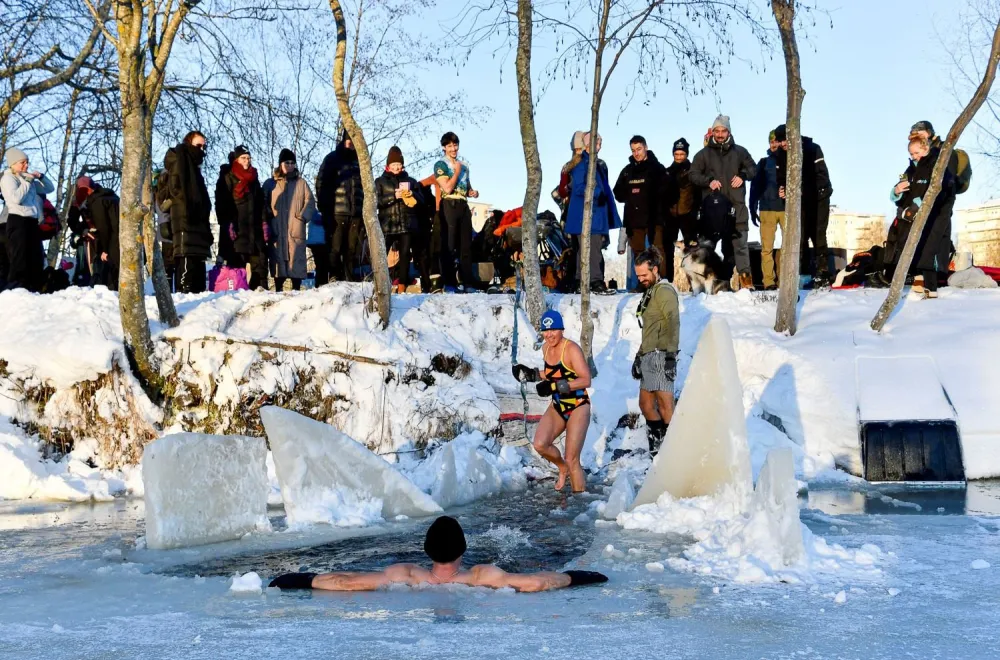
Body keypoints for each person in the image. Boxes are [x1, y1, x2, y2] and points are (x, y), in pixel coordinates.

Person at [268, 516, 608, 592]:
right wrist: (580, 576)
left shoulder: (405, 575)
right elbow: (534, 582)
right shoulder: (483, 577)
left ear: (426, 550)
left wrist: (299, 579)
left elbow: (344, 582)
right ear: (463, 550)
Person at [511, 310, 592, 493]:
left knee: (572, 459)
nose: (549, 335)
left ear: (561, 329)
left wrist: (554, 387)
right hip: (557, 405)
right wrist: (531, 374)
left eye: (553, 330)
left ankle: (579, 504)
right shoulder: (546, 348)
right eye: (545, 331)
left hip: (578, 405)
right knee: (540, 444)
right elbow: (553, 373)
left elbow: (586, 379)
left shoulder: (571, 349)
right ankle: (562, 468)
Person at [689, 115, 756, 290]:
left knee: (739, 250)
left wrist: (743, 176)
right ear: (712, 132)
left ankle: (745, 284)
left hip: (736, 212)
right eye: (717, 131)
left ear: (729, 132)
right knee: (705, 251)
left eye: (723, 130)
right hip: (711, 214)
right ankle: (701, 286)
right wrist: (708, 181)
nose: (720, 134)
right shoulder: (703, 155)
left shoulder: (740, 152)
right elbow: (693, 174)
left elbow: (753, 170)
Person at [886, 137, 956, 299]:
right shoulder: (910, 170)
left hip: (933, 216)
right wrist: (896, 191)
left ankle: (931, 289)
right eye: (911, 154)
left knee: (929, 250)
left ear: (926, 149)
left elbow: (939, 189)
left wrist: (918, 205)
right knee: (914, 249)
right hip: (913, 218)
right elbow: (900, 193)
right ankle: (919, 285)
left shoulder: (936, 164)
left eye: (916, 153)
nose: (914, 157)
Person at [631, 247, 679, 454]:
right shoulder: (651, 293)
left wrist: (671, 355)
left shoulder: (664, 291)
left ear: (655, 270)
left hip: (661, 354)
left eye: (644, 274)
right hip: (649, 354)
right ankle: (657, 447)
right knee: (645, 404)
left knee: (665, 404)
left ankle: (672, 451)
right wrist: (638, 357)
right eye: (638, 275)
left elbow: (673, 322)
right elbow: (649, 330)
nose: (641, 279)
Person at [772, 124, 833, 286]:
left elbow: (822, 176)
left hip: (819, 198)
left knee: (818, 234)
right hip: (798, 202)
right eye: (780, 141)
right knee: (801, 236)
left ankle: (823, 273)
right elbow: (781, 178)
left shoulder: (813, 148)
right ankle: (803, 274)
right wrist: (783, 190)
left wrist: (802, 190)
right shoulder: (780, 155)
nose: (783, 144)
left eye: (785, 140)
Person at [563, 132, 621, 292]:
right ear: (588, 145)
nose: (599, 146)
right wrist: (597, 194)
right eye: (597, 143)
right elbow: (579, 187)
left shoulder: (594, 164)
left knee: (588, 249)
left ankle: (582, 281)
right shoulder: (583, 164)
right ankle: (594, 281)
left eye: (600, 143)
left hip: (594, 214)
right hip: (588, 215)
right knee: (592, 249)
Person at [163, 131, 213, 293]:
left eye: (204, 146)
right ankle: (184, 297)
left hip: (197, 218)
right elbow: (175, 187)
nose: (202, 149)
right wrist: (190, 202)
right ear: (189, 143)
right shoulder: (181, 159)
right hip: (185, 216)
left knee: (197, 261)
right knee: (186, 259)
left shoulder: (193, 164)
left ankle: (197, 296)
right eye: (198, 145)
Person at [613, 135, 671, 271]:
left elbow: (668, 191)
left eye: (639, 149)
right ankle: (642, 283)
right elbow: (618, 193)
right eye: (633, 150)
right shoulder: (627, 171)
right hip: (633, 219)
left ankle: (660, 281)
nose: (636, 153)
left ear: (646, 147)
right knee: (638, 253)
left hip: (654, 218)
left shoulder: (657, 168)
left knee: (657, 251)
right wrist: (631, 193)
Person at [0, 147, 55, 291]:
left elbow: (49, 189)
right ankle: (16, 289)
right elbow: (15, 198)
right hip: (17, 221)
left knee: (36, 257)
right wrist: (27, 181)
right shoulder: (7, 178)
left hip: (32, 221)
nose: (26, 166)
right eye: (22, 163)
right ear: (13, 163)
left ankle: (34, 288)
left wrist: (41, 177)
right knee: (20, 258)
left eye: (27, 162)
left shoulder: (27, 180)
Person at [434, 132, 480, 292]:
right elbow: (447, 187)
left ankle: (467, 283)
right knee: (449, 245)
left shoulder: (464, 166)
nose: (453, 149)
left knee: (466, 245)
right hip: (449, 203)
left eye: (455, 145)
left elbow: (466, 188)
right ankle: (450, 283)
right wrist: (456, 171)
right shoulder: (441, 164)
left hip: (463, 204)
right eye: (449, 146)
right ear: (444, 148)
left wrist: (472, 192)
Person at [316, 130, 364, 283]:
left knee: (352, 250)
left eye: (353, 141)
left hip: (355, 212)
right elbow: (321, 185)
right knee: (335, 248)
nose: (350, 144)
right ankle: (334, 278)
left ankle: (349, 280)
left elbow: (365, 188)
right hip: (337, 212)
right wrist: (325, 209)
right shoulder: (332, 159)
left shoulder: (360, 161)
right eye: (348, 140)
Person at [376, 146, 424, 293]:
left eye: (399, 164)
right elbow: (375, 202)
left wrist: (412, 195)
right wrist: (393, 197)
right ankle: (381, 283)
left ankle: (402, 284)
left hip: (406, 223)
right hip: (387, 224)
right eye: (393, 164)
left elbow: (421, 200)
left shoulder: (411, 181)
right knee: (382, 254)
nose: (396, 167)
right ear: (387, 166)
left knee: (405, 255)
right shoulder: (380, 181)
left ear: (402, 165)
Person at [270, 148, 315, 292]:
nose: (290, 165)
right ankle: (277, 290)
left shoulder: (301, 183)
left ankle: (296, 290)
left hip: (295, 229)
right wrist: (270, 219)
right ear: (280, 164)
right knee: (278, 263)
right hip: (277, 229)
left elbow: (310, 201)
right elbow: (263, 203)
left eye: (292, 163)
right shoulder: (271, 184)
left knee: (296, 262)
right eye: (286, 162)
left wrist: (301, 217)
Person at [749, 130, 787, 291]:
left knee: (789, 248)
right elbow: (754, 187)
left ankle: (787, 280)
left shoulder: (790, 161)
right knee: (766, 249)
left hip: (786, 210)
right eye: (771, 142)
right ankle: (769, 282)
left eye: (776, 141)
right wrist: (752, 208)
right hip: (766, 210)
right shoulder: (763, 162)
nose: (774, 145)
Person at [74, 176, 121, 290]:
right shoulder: (111, 197)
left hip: (113, 243)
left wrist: (104, 250)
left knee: (111, 277)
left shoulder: (97, 202)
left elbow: (104, 228)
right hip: (123, 239)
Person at [666, 138, 701, 247]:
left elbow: (698, 193)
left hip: (688, 215)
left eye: (682, 154)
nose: (679, 157)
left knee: (692, 247)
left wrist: (695, 211)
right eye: (676, 154)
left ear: (686, 154)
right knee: (668, 247)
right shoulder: (667, 172)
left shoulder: (693, 171)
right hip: (671, 215)